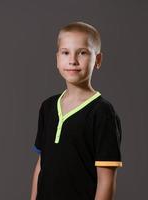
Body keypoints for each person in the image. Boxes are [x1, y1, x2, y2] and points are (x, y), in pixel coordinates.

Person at [30, 21, 123, 200]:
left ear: (98, 60)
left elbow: (106, 180)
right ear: (57, 59)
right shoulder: (48, 107)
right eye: (65, 53)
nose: (72, 60)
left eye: (82, 53)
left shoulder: (102, 112)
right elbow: (42, 164)